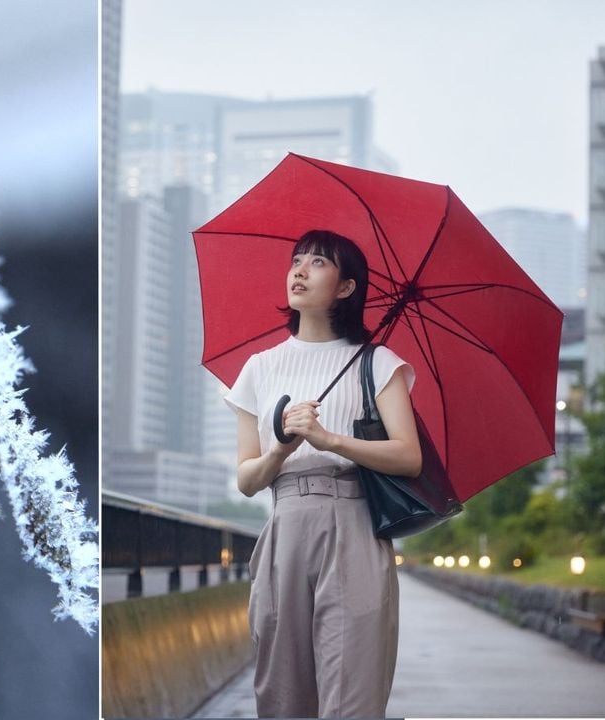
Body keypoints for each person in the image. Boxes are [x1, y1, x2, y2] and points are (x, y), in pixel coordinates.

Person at [223, 229, 421, 719]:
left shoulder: (378, 364)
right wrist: (280, 450)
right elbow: (247, 479)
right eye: (297, 260)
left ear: (346, 287)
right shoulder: (259, 368)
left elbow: (408, 456)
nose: (300, 270)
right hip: (285, 527)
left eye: (318, 262)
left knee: (353, 693)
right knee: (282, 694)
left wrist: (329, 439)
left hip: (355, 525)